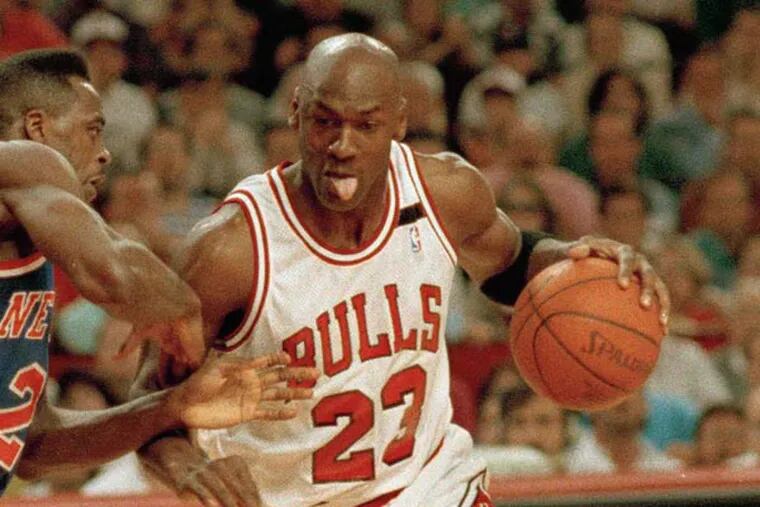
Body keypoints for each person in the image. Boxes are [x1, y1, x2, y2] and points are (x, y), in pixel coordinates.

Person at [136, 34, 670, 507]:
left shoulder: (445, 193)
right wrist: (185, 463)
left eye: (366, 126)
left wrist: (584, 262)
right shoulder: (230, 250)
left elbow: (511, 264)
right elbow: (147, 396)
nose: (342, 147)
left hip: (428, 487)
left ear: (399, 122)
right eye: (325, 122)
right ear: (296, 111)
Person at [0, 48, 319, 495]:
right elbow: (114, 274)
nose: (105, 154)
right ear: (37, 129)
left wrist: (174, 405)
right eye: (92, 130)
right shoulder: (22, 160)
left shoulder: (28, 247)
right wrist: (184, 310)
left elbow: (34, 448)